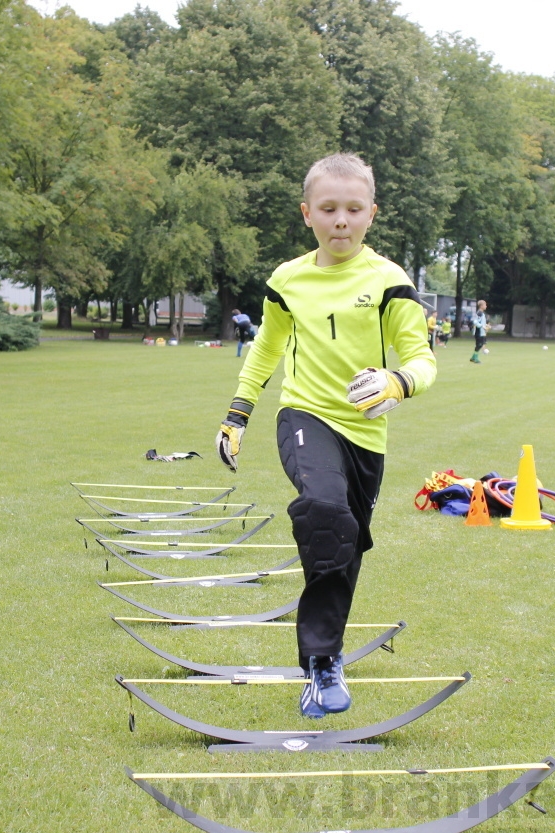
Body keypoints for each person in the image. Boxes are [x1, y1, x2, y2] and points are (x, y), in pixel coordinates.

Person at [214, 154, 437, 719]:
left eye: (354, 209)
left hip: (364, 433)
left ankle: (327, 652)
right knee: (322, 510)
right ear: (307, 213)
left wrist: (397, 381)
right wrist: (238, 413)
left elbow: (421, 358)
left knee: (344, 541)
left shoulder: (390, 282)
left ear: (371, 214)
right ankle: (320, 664)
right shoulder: (287, 280)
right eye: (330, 209)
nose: (342, 220)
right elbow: (266, 347)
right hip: (305, 415)